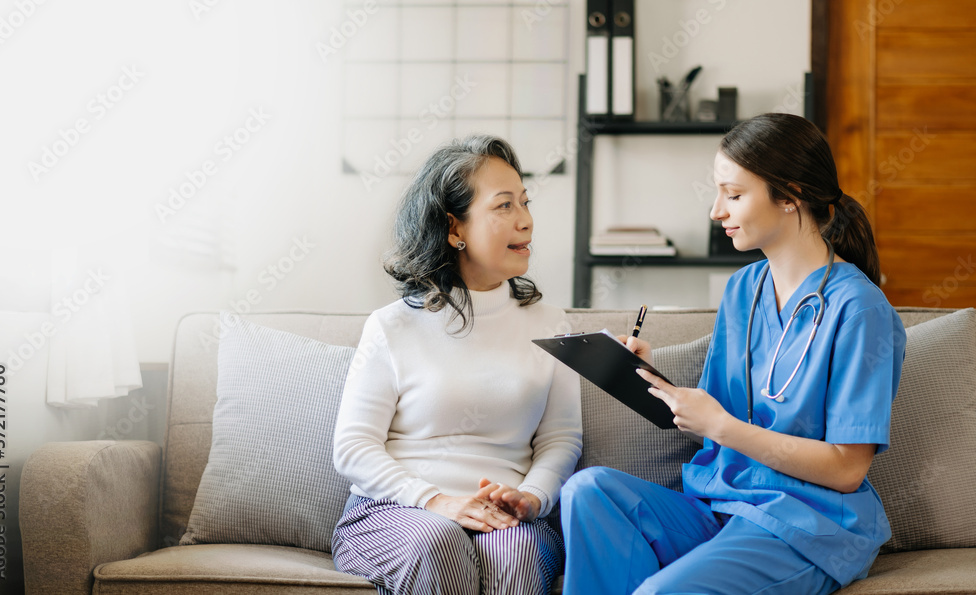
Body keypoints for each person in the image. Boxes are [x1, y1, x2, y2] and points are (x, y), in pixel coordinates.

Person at [560, 113, 907, 595]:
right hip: (721, 503)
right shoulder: (744, 289)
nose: (716, 211)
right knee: (589, 491)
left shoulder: (860, 309)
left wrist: (720, 426)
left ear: (789, 195)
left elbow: (847, 469)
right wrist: (641, 373)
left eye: (734, 194)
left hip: (804, 525)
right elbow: (717, 411)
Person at [331, 134, 583, 595]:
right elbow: (353, 447)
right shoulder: (392, 327)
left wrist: (532, 498)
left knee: (518, 551)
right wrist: (437, 500)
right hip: (398, 512)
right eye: (504, 206)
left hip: (509, 518)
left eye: (525, 203)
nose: (525, 221)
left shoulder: (553, 326)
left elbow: (562, 438)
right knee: (439, 539)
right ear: (454, 229)